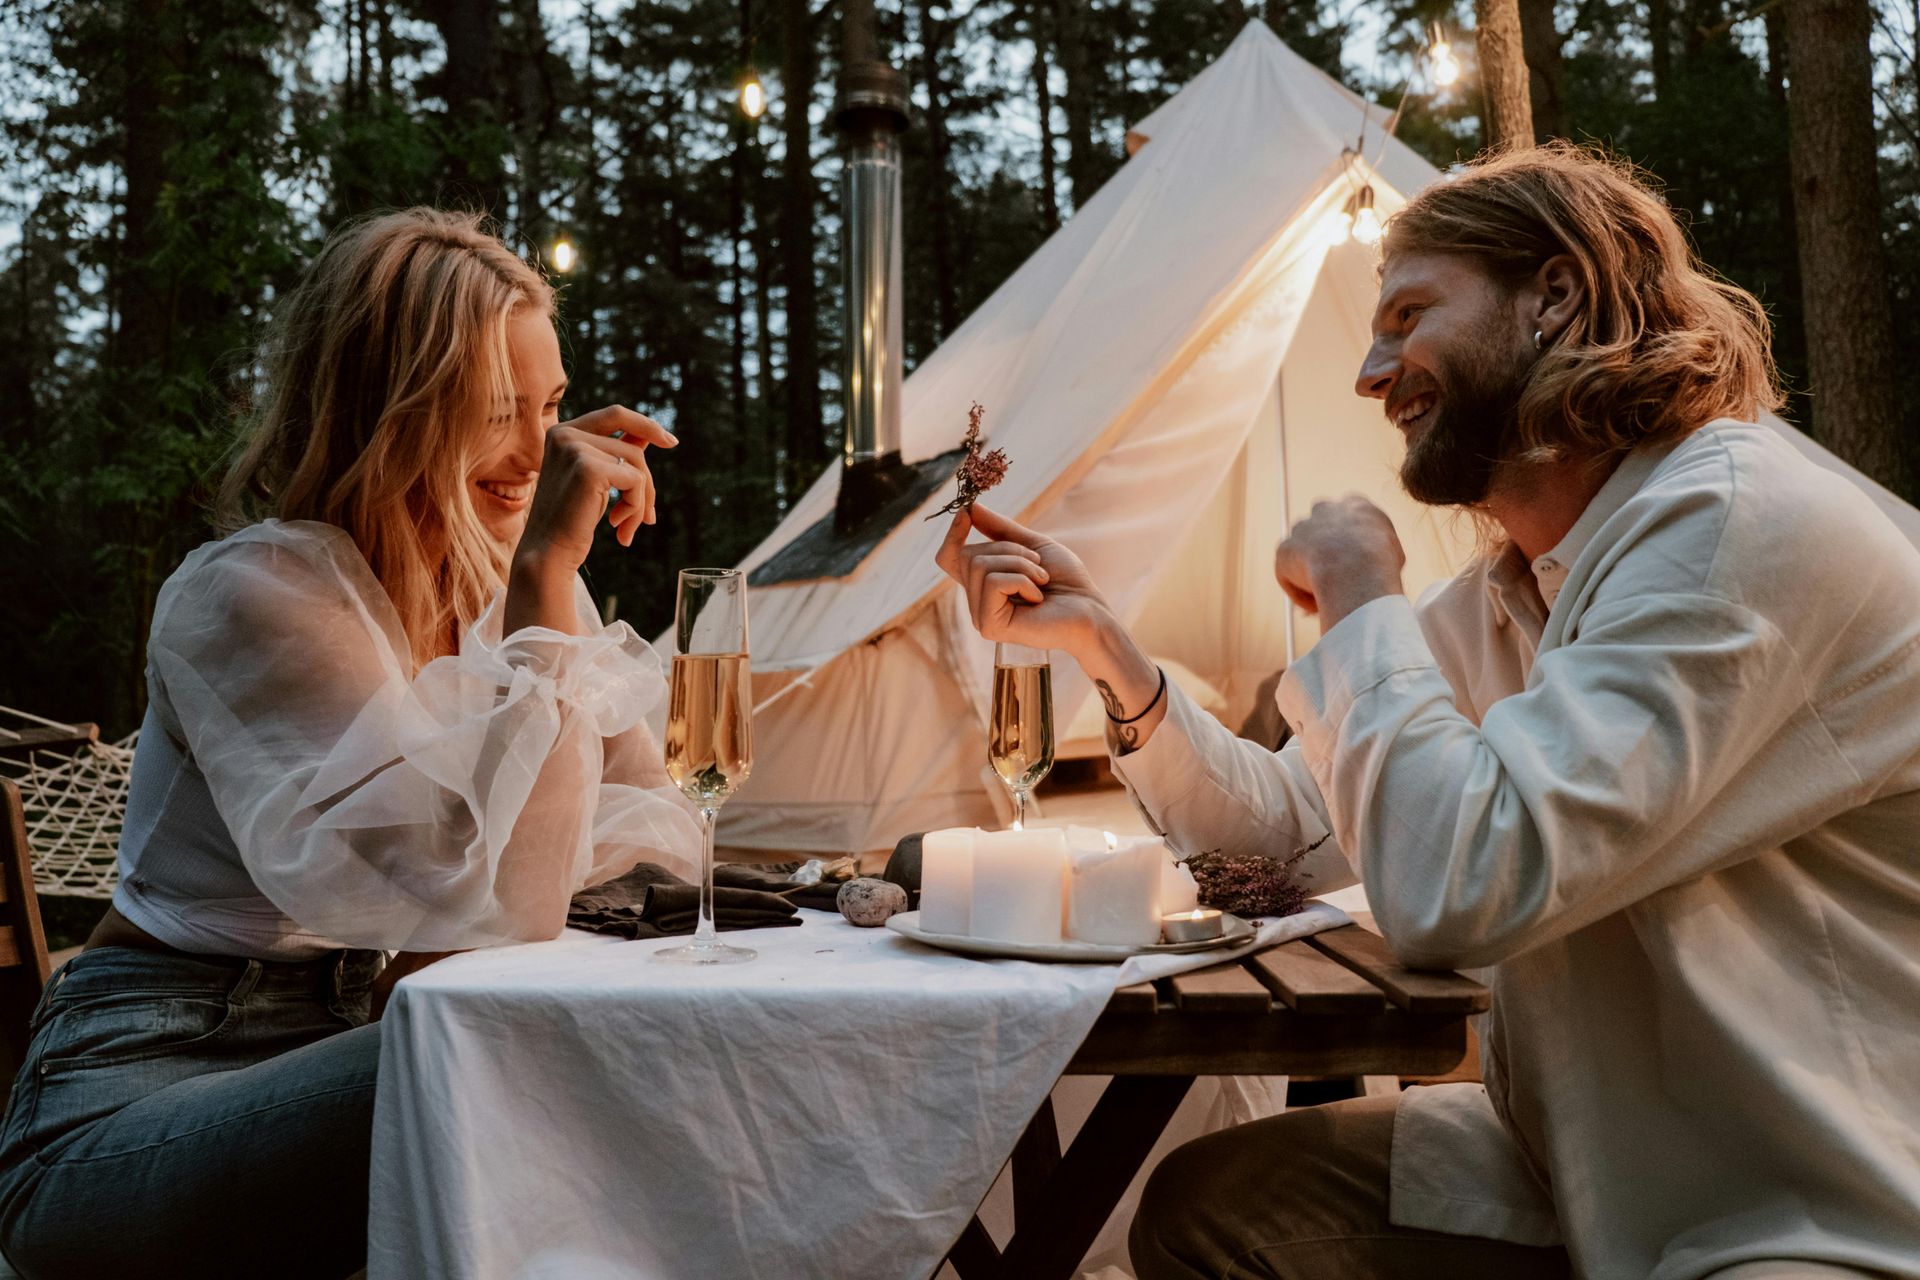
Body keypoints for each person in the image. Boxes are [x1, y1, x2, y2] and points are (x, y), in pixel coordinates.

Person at [937, 144, 1920, 1278]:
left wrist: (1361, 595)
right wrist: (1108, 649)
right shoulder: (1517, 588)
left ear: (1556, 293)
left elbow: (1465, 884)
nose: (1371, 369)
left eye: (1407, 314)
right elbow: (1289, 841)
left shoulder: (1734, 523)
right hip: (1595, 1161)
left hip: (1814, 1198)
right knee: (1216, 1206)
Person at [0, 209, 703, 1278]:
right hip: (131, 1094)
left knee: (613, 1057)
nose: (537, 455)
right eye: (497, 413)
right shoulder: (251, 592)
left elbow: (656, 833)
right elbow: (481, 896)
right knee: (514, 1071)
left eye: (553, 408)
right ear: (399, 409)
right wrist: (545, 588)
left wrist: (533, 600)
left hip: (356, 1046)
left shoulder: (499, 598)